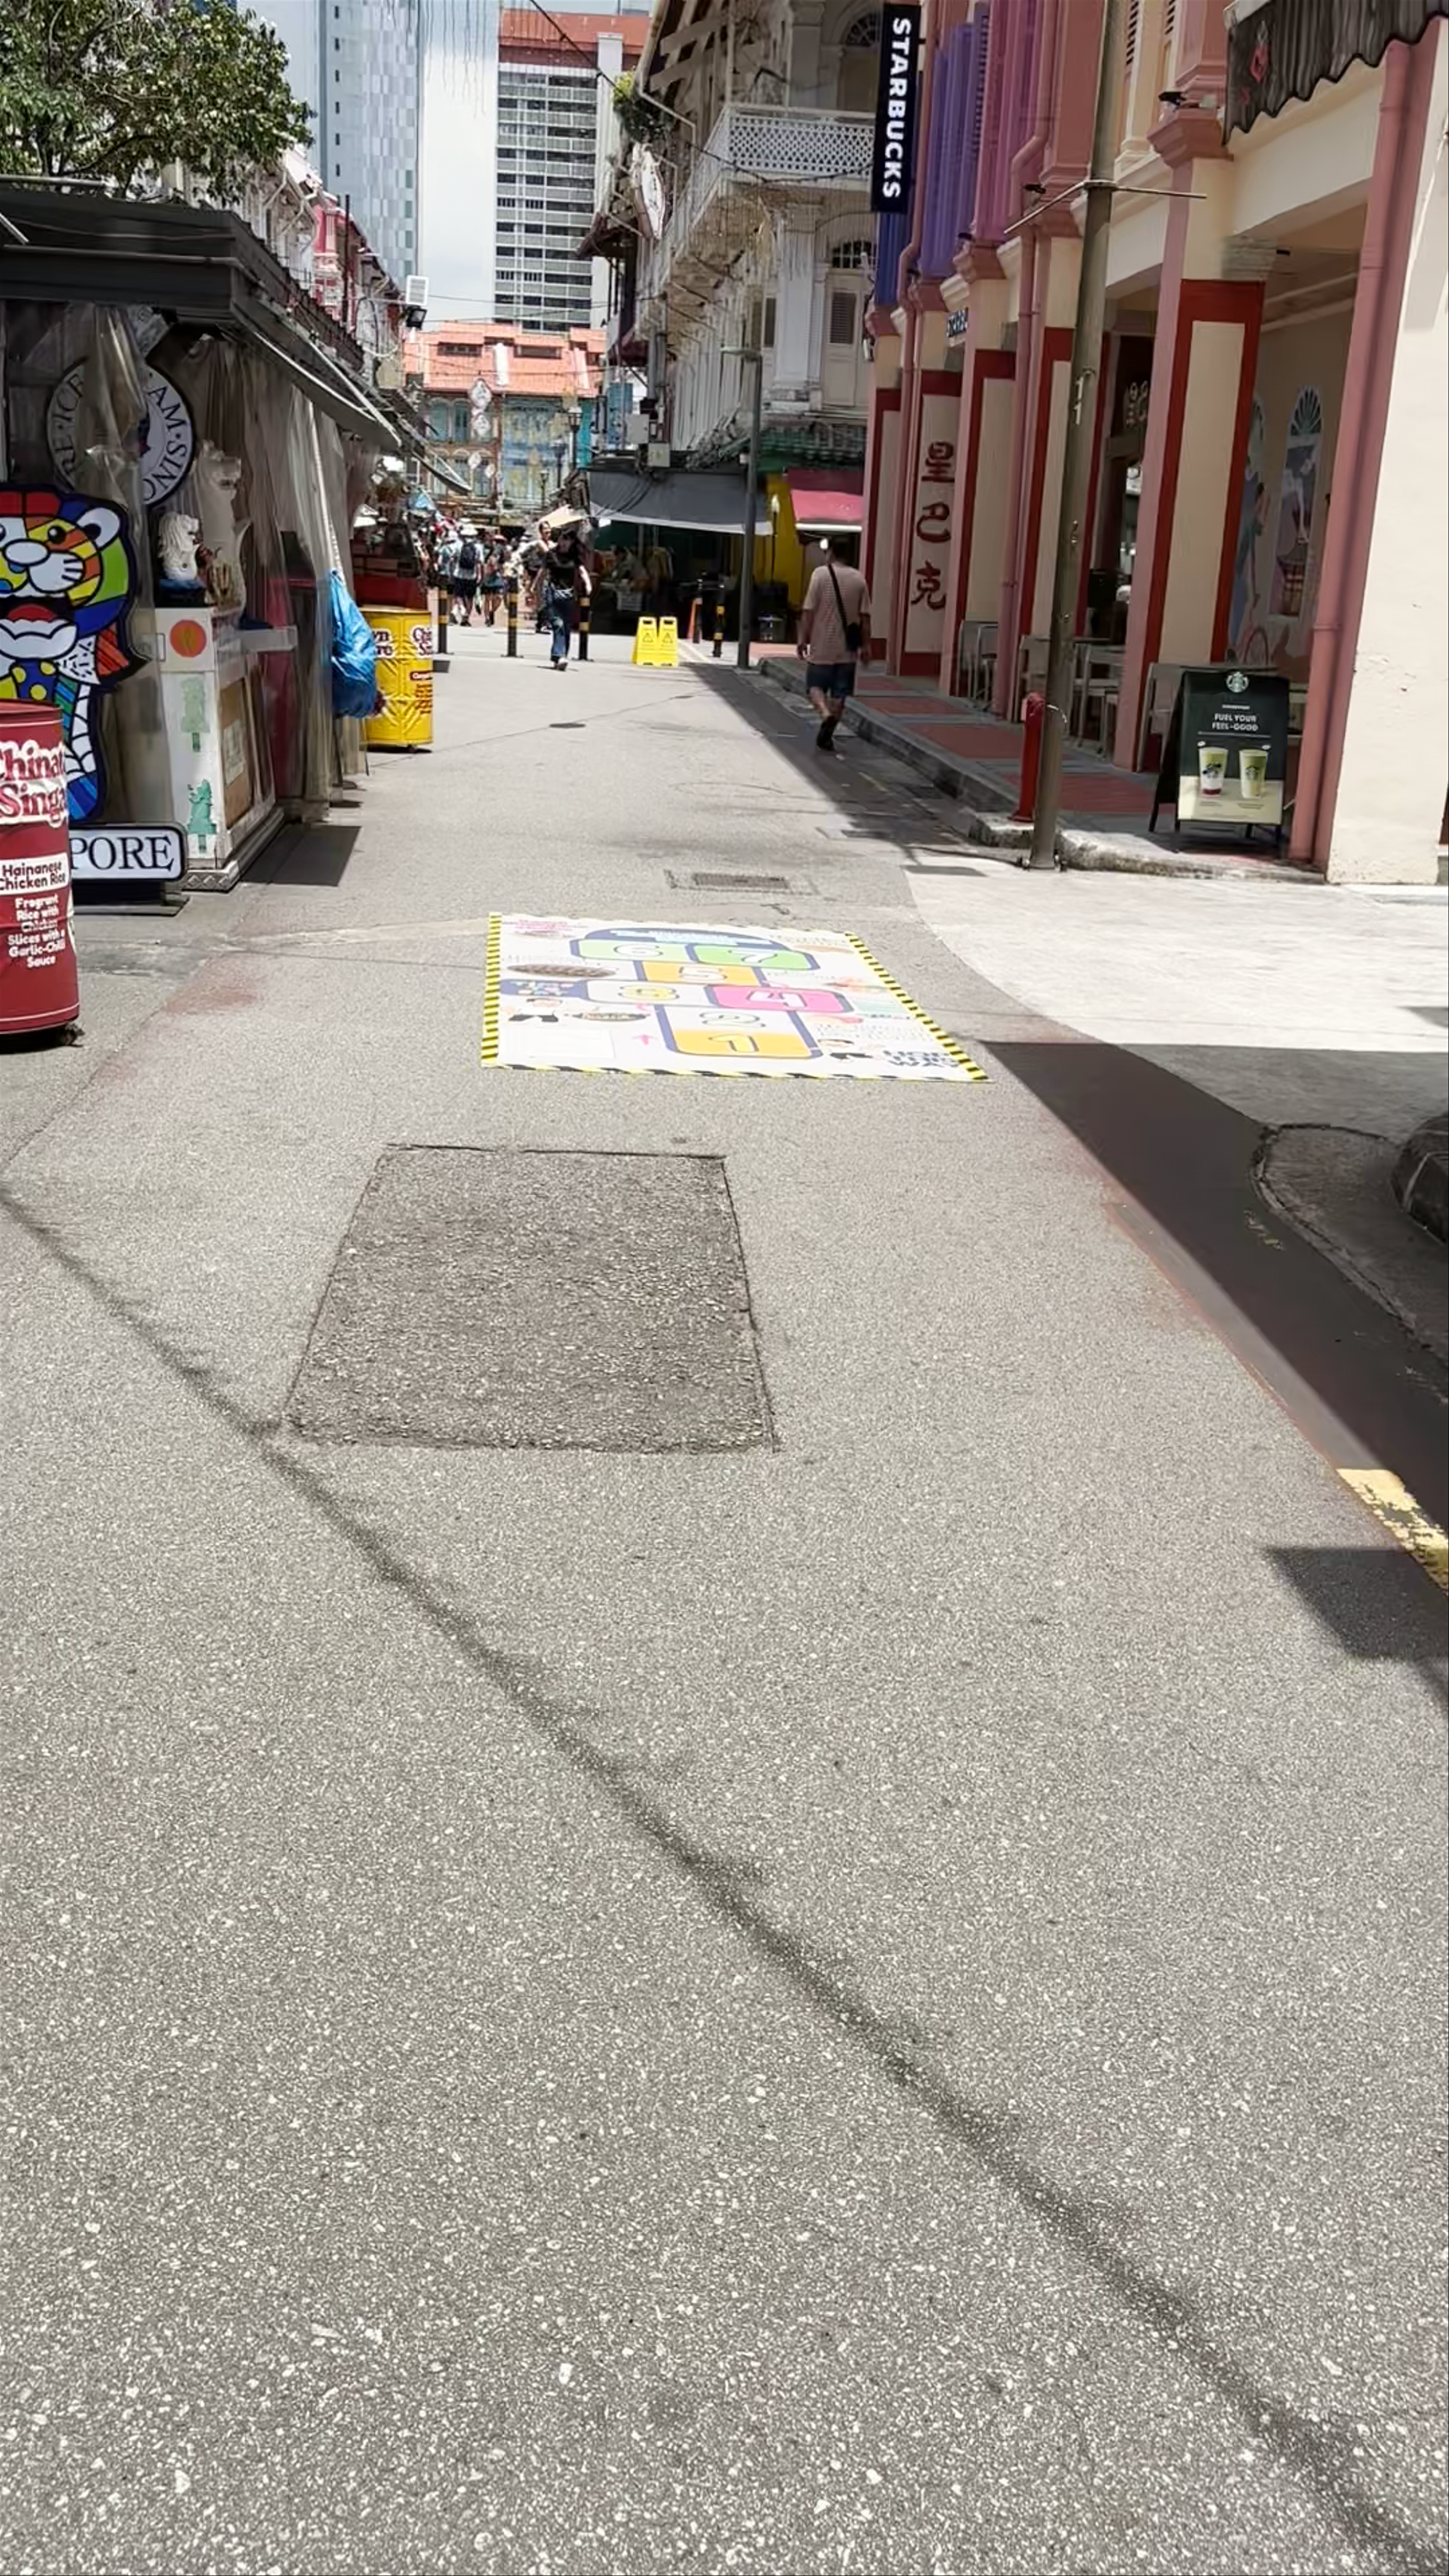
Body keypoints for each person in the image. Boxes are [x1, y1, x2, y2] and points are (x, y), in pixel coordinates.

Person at [797, 539, 871, 752]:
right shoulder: (859, 579)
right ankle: (828, 735)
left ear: (831, 553)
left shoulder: (820, 575)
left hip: (822, 647)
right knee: (840, 694)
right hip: (847, 650)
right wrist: (867, 646)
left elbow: (809, 611)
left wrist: (803, 639)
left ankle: (825, 713)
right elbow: (866, 618)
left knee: (815, 687)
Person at [534, 526, 591, 669]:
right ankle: (560, 657)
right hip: (552, 593)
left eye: (569, 540)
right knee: (558, 624)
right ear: (559, 540)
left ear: (572, 542)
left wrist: (588, 584)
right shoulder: (551, 554)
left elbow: (582, 571)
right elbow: (542, 574)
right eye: (563, 539)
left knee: (566, 627)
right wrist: (534, 591)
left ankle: (560, 656)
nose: (565, 542)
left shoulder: (574, 556)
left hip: (569, 595)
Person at [452, 531, 481, 626]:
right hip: (472, 576)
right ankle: (467, 619)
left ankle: (463, 609)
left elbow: (453, 559)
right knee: (470, 597)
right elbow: (479, 562)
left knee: (459, 595)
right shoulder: (478, 547)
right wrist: (480, 575)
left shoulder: (458, 545)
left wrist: (452, 572)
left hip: (459, 574)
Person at [480, 542, 505, 627]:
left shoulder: (501, 559)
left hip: (498, 580)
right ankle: (487, 618)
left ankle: (492, 612)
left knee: (499, 598)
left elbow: (502, 570)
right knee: (487, 599)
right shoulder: (490, 558)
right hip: (488, 580)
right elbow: (491, 569)